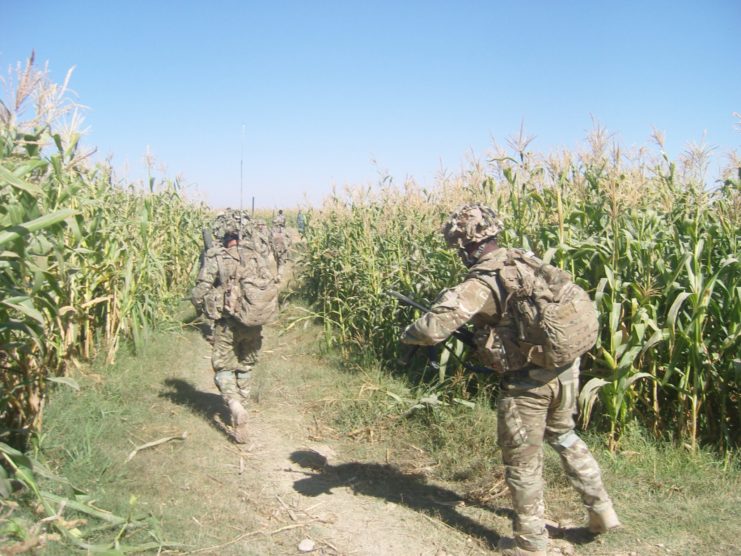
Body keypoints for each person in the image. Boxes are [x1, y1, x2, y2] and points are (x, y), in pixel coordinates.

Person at [400, 204, 620, 556]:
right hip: (565, 369)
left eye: (457, 247)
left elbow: (432, 329)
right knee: (564, 436)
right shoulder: (525, 259)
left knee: (522, 461)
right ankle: (602, 512)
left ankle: (531, 544)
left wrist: (408, 334)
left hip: (527, 384)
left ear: (465, 245)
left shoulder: (481, 281)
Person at [191, 229, 268, 444]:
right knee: (245, 366)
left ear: (226, 241)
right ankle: (243, 405)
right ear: (241, 240)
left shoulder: (218, 257)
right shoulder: (256, 257)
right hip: (253, 325)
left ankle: (235, 406)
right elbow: (268, 284)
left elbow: (202, 288)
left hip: (227, 324)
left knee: (223, 367)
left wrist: (198, 305)